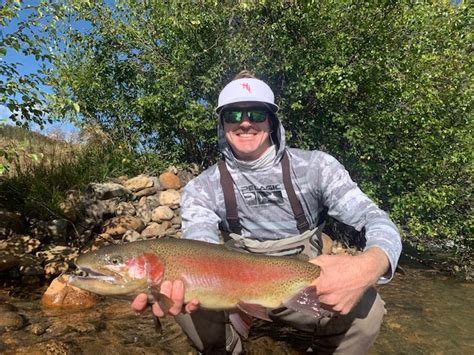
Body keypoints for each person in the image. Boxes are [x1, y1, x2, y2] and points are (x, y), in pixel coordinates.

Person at [132, 71, 402, 354]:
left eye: (256, 113)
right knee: (182, 298)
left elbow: (377, 219)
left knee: (368, 308)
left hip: (300, 286)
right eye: (234, 115)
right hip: (232, 288)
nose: (245, 122)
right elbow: (200, 250)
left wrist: (370, 265)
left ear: (272, 121)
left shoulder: (317, 168)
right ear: (222, 124)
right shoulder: (202, 188)